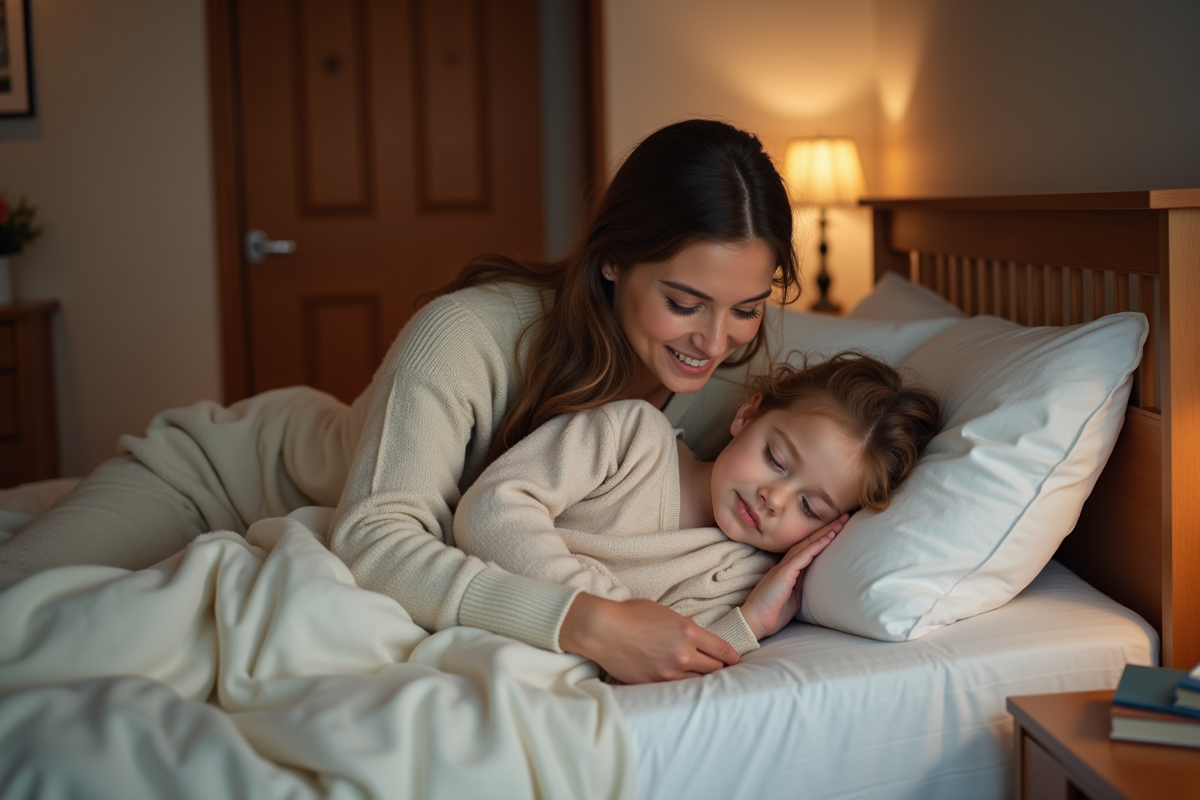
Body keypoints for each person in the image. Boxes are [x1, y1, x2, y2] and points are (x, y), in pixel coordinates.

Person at [0, 119, 798, 684]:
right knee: (15, 615)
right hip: (217, 483)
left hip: (299, 552)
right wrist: (585, 620)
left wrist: (749, 617)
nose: (714, 340)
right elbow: (377, 539)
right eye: (685, 302)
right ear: (614, 260)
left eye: (747, 307)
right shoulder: (469, 331)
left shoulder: (733, 401)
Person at [453, 353, 942, 656]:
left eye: (810, 508)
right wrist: (614, 618)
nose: (774, 499)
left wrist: (750, 623)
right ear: (747, 414)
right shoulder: (631, 436)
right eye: (775, 458)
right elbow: (490, 511)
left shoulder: (739, 575)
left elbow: (654, 666)